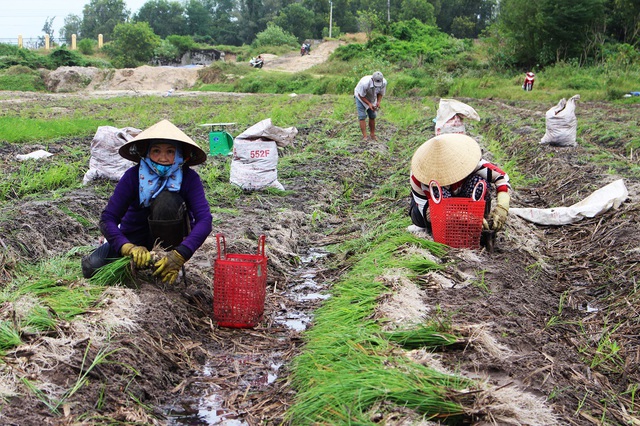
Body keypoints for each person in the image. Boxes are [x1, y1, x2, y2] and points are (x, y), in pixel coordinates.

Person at [81, 119, 213, 285]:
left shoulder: (189, 178)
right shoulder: (132, 176)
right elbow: (108, 218)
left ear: (180, 154)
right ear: (146, 152)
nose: (162, 158)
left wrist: (180, 254)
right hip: (133, 237)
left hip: (169, 240)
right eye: (156, 151)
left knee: (166, 200)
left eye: (170, 151)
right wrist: (127, 247)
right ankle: (136, 259)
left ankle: (163, 260)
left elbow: (205, 220)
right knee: (91, 268)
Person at [408, 133, 511, 234]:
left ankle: (482, 220)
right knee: (437, 194)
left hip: (463, 200)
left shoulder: (469, 162)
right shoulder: (420, 177)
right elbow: (429, 213)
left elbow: (501, 177)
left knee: (479, 182)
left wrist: (503, 205)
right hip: (434, 211)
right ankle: (447, 229)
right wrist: (464, 218)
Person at [354, 71, 387, 141]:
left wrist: (378, 102)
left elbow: (380, 93)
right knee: (362, 116)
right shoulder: (365, 83)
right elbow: (361, 95)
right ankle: (365, 136)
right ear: (372, 79)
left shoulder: (384, 83)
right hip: (360, 97)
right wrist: (369, 104)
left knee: (372, 115)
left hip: (372, 98)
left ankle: (372, 134)